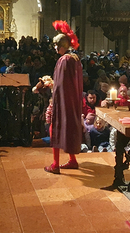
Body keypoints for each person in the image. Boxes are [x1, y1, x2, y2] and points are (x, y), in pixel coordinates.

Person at [44, 20, 83, 174]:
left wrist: (50, 85)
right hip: (72, 100)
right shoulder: (75, 58)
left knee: (55, 129)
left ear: (62, 46)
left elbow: (60, 85)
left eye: (56, 46)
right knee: (69, 130)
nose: (55, 48)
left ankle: (55, 165)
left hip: (63, 101)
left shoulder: (64, 60)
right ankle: (72, 160)